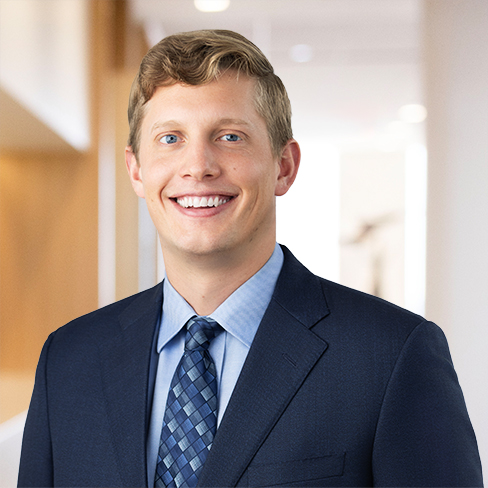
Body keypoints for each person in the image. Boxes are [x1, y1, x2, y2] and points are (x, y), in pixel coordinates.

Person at [18, 29, 483, 488]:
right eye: (170, 138)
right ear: (136, 169)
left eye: (230, 137)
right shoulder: (70, 360)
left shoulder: (391, 356)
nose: (198, 165)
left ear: (284, 166)